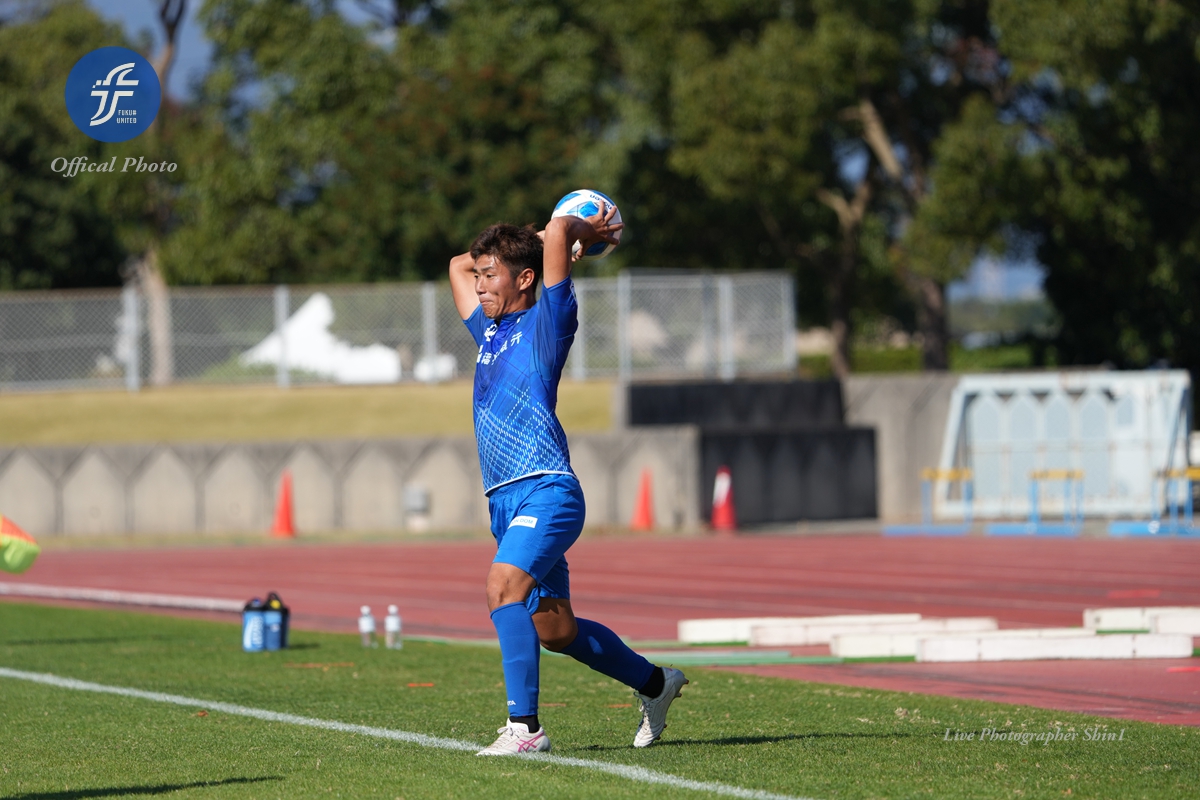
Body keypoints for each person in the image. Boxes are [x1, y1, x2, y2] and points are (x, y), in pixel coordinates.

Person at [448, 203, 687, 756]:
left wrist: (575, 233)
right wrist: (515, 247)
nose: (479, 284)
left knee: (502, 587)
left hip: (546, 488)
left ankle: (525, 730)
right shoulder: (488, 329)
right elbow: (458, 263)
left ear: (525, 279)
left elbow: (558, 229)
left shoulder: (546, 321)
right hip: (504, 501)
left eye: (492, 275)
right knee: (555, 631)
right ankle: (656, 683)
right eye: (481, 277)